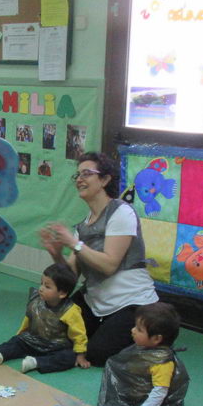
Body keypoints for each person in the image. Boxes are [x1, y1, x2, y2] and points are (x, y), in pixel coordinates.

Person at [40, 151, 158, 367]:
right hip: (95, 300)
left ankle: (153, 339)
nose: (79, 180)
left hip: (130, 301)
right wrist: (56, 252)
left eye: (87, 173)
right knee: (53, 333)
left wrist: (73, 243)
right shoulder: (83, 226)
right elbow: (70, 278)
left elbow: (109, 264)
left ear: (104, 179)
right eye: (77, 175)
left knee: (97, 354)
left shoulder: (122, 212)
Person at [96, 302, 189, 406]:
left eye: (139, 329)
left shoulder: (162, 363)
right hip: (140, 396)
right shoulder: (142, 348)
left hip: (161, 403)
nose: (132, 331)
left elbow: (160, 392)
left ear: (156, 339)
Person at [0, 263, 87, 374]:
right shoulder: (36, 300)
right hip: (32, 340)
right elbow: (29, 319)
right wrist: (20, 334)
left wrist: (80, 354)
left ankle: (35, 362)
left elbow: (78, 334)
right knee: (16, 342)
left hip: (56, 347)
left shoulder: (70, 310)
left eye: (47, 286)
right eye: (41, 283)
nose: (41, 288)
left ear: (62, 293)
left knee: (69, 357)